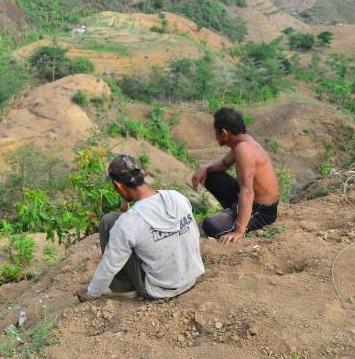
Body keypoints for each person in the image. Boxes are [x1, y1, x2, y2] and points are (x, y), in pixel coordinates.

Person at [75, 155, 204, 302]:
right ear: (144, 174)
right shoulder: (176, 197)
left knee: (108, 221)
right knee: (120, 224)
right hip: (192, 277)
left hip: (160, 290)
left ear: (117, 185)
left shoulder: (129, 221)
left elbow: (110, 264)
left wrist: (91, 293)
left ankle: (124, 288)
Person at [192, 107, 280, 243]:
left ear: (225, 133)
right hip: (246, 198)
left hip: (262, 210)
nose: (215, 136)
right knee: (211, 175)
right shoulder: (242, 142)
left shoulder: (244, 149)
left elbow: (247, 191)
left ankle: (236, 218)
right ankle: (232, 212)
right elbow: (224, 163)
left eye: (216, 132)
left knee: (211, 225)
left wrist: (239, 231)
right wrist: (205, 167)